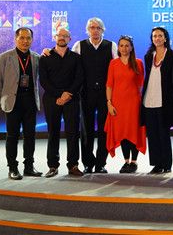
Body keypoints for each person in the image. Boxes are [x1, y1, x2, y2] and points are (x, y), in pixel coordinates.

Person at [0, 27, 42, 180]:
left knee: (30, 136)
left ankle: (29, 167)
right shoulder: (4, 57)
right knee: (12, 136)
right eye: (22, 38)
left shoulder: (36, 58)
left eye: (28, 38)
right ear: (15, 39)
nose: (25, 41)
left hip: (30, 102)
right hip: (13, 102)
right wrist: (3, 99)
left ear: (32, 40)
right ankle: (12, 168)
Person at [73, 17, 118, 174]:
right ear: (88, 30)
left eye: (98, 27)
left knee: (104, 130)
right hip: (86, 93)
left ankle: (101, 163)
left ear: (103, 30)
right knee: (86, 130)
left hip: (105, 95)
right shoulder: (79, 45)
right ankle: (88, 163)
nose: (95, 30)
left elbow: (117, 68)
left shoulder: (111, 46)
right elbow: (70, 63)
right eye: (92, 27)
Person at [39, 28, 84, 178]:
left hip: (71, 99)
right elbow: (44, 81)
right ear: (55, 37)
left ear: (70, 39)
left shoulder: (76, 58)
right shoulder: (45, 57)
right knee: (53, 132)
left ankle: (73, 165)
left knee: (73, 133)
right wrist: (59, 95)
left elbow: (79, 78)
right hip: (52, 99)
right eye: (59, 35)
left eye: (65, 36)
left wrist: (68, 94)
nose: (62, 38)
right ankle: (53, 166)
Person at [105, 35, 146, 173]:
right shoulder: (113, 63)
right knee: (122, 132)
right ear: (118, 47)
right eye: (121, 45)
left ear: (131, 47)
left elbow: (140, 84)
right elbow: (109, 85)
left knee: (133, 131)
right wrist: (109, 103)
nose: (124, 48)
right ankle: (126, 161)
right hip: (117, 104)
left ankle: (134, 162)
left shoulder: (138, 63)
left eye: (127, 45)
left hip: (133, 104)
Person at [142, 27, 173, 174]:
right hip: (149, 99)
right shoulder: (149, 56)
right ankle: (156, 164)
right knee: (152, 134)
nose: (157, 38)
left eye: (160, 35)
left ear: (165, 38)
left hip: (165, 101)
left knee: (163, 133)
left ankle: (167, 164)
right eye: (154, 36)